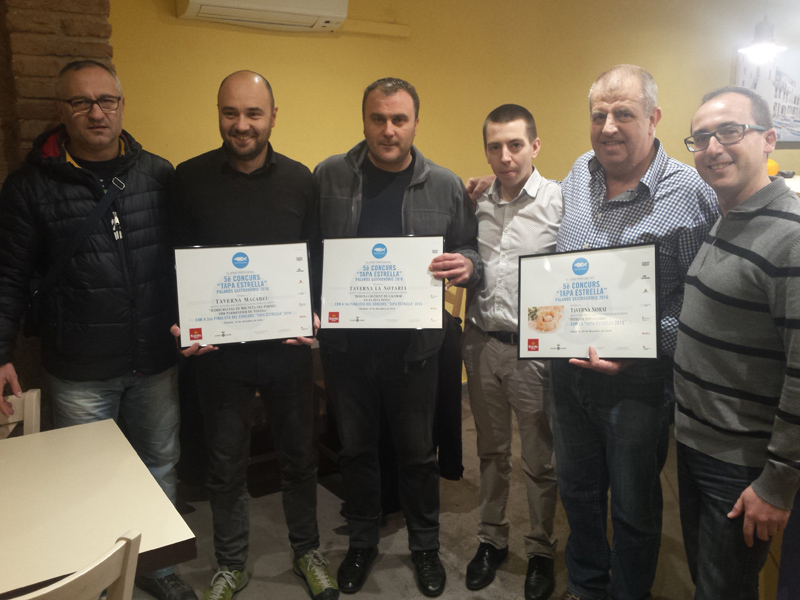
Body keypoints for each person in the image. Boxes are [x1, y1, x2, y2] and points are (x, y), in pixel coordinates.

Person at [0, 60, 195, 600]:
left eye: (106, 100)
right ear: (61, 111)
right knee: (86, 480)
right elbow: (9, 276)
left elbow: (186, 259)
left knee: (160, 463)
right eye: (81, 102)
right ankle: (96, 574)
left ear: (122, 106)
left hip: (154, 357)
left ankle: (155, 567)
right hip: (80, 367)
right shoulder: (27, 188)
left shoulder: (158, 173)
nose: (96, 112)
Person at [552, 64, 718, 600]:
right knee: (577, 493)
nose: (608, 127)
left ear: (653, 118)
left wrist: (640, 347)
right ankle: (586, 586)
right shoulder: (579, 173)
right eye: (598, 114)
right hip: (569, 373)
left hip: (638, 383)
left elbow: (698, 301)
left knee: (633, 506)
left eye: (623, 113)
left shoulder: (691, 193)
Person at [171, 71, 336, 600]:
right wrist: (182, 322)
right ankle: (231, 564)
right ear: (218, 112)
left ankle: (307, 552)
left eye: (253, 113)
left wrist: (312, 313)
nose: (241, 125)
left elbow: (314, 257)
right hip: (218, 354)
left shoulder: (300, 179)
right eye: (230, 113)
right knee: (224, 466)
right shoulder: (188, 178)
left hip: (286, 350)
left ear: (272, 116)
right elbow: (175, 260)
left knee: (299, 459)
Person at [314, 77, 481, 597]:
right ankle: (362, 542)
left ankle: (425, 546)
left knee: (418, 454)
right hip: (347, 350)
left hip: (415, 350)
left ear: (414, 122)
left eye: (399, 119)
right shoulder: (328, 176)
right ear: (363, 119)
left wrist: (467, 264)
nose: (388, 130)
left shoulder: (445, 184)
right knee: (357, 452)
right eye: (378, 118)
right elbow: (308, 250)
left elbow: (471, 247)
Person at [674, 86, 800, 600]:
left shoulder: (791, 237)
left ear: (769, 140)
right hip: (696, 442)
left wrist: (777, 482)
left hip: (742, 463)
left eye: (730, 131)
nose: (713, 147)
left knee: (724, 590)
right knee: (709, 580)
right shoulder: (727, 217)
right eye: (701, 137)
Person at [462, 104, 561, 600]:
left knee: (540, 458)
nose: (505, 157)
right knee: (490, 451)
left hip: (535, 352)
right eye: (495, 147)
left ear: (535, 146)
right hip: (481, 343)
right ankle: (490, 539)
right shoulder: (473, 201)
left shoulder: (560, 204)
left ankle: (542, 548)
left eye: (515, 145)